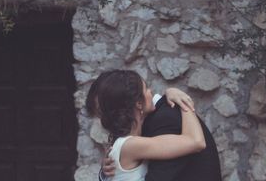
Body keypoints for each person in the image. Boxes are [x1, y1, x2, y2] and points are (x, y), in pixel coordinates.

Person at [87, 70, 221, 181]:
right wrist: (182, 99)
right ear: (138, 103)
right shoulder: (131, 145)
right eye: (146, 89)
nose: (152, 92)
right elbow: (196, 142)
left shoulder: (124, 143)